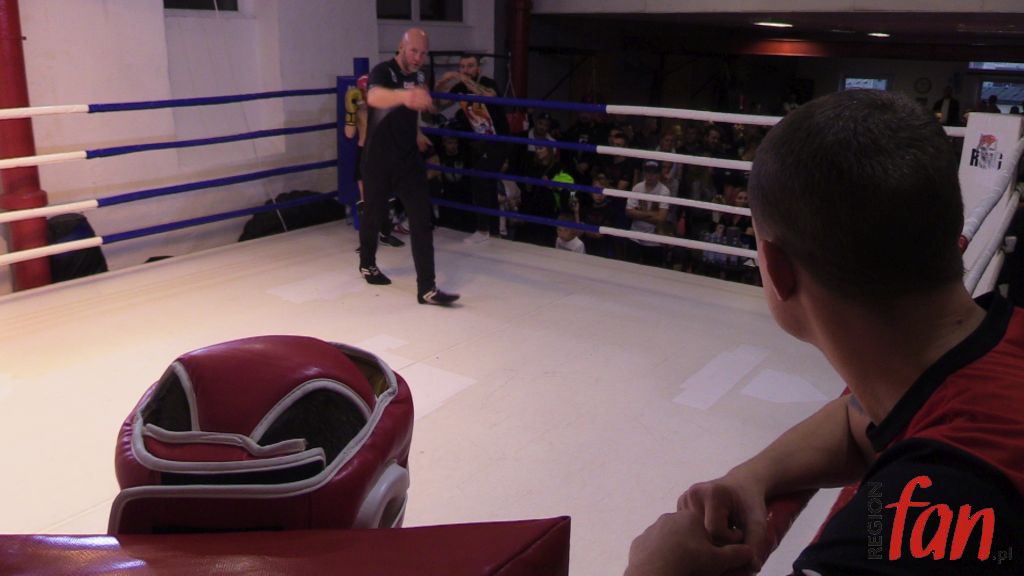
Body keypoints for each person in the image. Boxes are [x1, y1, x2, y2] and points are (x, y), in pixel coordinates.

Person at [625, 89, 1023, 575]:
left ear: (777, 269)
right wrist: (753, 476)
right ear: (952, 226)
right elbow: (861, 421)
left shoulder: (909, 529)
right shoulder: (999, 343)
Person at [359, 28, 459, 306]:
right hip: (378, 158)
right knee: (374, 213)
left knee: (421, 218)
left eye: (423, 53)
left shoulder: (419, 76)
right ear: (401, 47)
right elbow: (374, 97)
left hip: (407, 159)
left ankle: (427, 288)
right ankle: (367, 263)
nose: (418, 57)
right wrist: (405, 96)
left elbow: (419, 108)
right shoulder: (383, 71)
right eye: (414, 51)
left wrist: (416, 131)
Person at [435, 53, 509, 245]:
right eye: (462, 66)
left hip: (498, 139)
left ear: (478, 68)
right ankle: (493, 231)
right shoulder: (460, 87)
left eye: (469, 66)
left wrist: (462, 78)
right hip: (478, 142)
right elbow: (439, 105)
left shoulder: (487, 82)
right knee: (487, 183)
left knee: (480, 179)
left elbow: (489, 95)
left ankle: (483, 229)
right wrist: (442, 83)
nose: (465, 70)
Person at [344, 74, 405, 249]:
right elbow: (349, 134)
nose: (366, 94)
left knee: (387, 198)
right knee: (366, 201)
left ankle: (385, 235)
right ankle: (367, 241)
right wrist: (351, 112)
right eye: (363, 91)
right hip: (364, 153)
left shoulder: (385, 107)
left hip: (383, 154)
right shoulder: (357, 109)